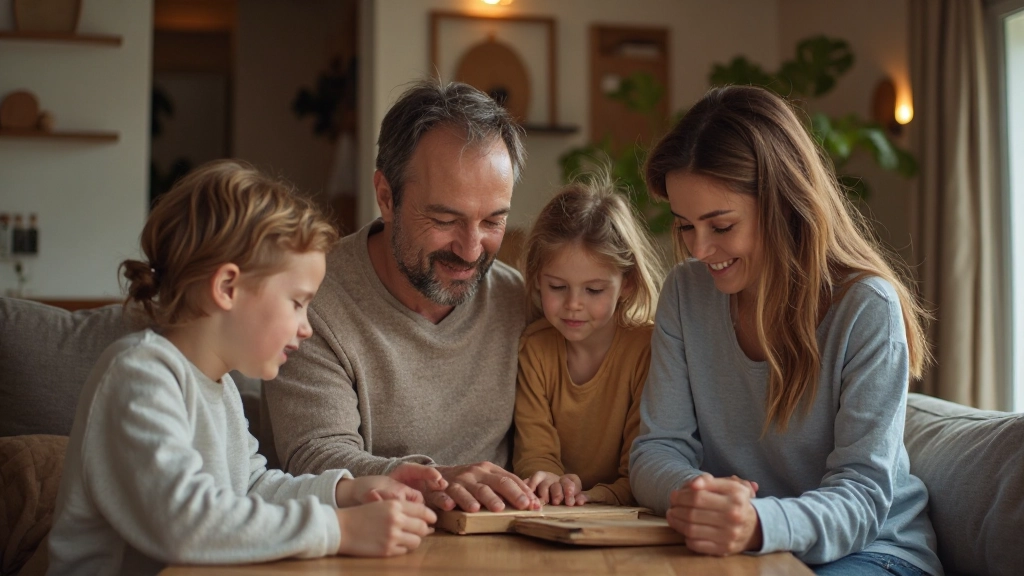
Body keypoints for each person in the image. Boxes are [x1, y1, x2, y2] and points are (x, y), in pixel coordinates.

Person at [48, 160, 442, 576]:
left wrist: (346, 491)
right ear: (227, 288)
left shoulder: (220, 385)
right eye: (297, 302)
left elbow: (251, 488)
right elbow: (183, 525)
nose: (307, 327)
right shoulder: (139, 376)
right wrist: (339, 529)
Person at [629, 85, 943, 576]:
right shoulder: (685, 293)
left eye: (721, 226)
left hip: (873, 551)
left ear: (783, 204)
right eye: (685, 225)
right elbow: (658, 446)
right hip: (743, 547)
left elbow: (862, 495)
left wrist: (758, 521)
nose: (697, 249)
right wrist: (696, 496)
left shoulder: (865, 307)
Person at [264, 79, 541, 513]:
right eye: (445, 219)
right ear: (386, 197)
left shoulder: (521, 301)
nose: (471, 250)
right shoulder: (310, 301)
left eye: (492, 221)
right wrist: (438, 481)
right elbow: (314, 459)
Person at [513, 174, 663, 507]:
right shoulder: (534, 349)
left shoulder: (648, 349)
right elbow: (534, 452)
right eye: (557, 287)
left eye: (594, 290)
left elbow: (646, 462)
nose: (574, 304)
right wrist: (549, 482)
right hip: (555, 508)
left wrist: (596, 497)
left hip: (626, 511)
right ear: (537, 278)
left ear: (627, 283)